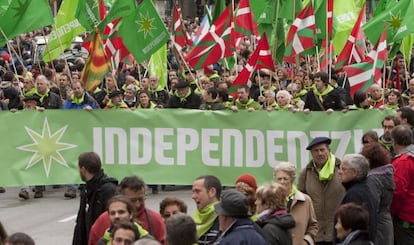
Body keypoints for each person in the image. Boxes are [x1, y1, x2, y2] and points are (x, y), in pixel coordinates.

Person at [89, 176, 166, 245]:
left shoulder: (155, 220)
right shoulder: (102, 221)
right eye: (132, 200)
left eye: (141, 199)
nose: (137, 204)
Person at [298, 137, 345, 245]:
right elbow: (300, 199)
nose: (319, 153)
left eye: (322, 150)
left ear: (329, 151)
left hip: (338, 230)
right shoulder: (306, 173)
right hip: (315, 233)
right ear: (311, 153)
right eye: (316, 151)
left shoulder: (342, 168)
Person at [73, 152, 119, 245]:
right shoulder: (86, 190)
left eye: (79, 168)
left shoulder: (107, 190)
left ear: (83, 169)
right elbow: (81, 225)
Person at [274, 162, 318, 245]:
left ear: (292, 179)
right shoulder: (271, 201)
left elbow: (313, 226)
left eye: (285, 179)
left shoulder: (305, 200)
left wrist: (306, 241)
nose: (282, 182)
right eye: (279, 179)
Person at [360, 143, 394, 245]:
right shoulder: (386, 175)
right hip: (386, 223)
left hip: (377, 227)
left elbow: (372, 206)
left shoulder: (373, 179)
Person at [338, 154, 377, 243]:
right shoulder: (363, 189)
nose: (339, 172)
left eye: (343, 169)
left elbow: (351, 226)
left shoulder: (355, 195)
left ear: (355, 172)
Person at [390, 125, 414, 245]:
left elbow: (397, 193)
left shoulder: (403, 162)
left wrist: (390, 213)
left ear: (394, 141)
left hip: (406, 220)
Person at [192, 175, 221, 245]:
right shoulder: (193, 218)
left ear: (212, 192)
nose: (193, 196)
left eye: (197, 191)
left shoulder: (224, 219)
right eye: (193, 192)